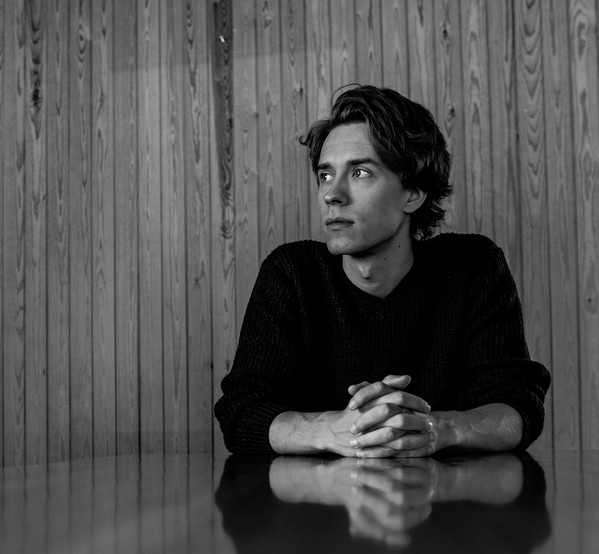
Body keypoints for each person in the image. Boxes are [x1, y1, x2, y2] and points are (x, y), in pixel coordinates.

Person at [214, 85, 551, 458]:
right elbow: (240, 412)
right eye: (325, 175)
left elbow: (518, 405)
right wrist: (334, 430)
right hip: (316, 495)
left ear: (413, 193)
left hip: (448, 493)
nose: (331, 194)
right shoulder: (292, 274)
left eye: (359, 172)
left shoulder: (473, 267)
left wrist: (437, 428)